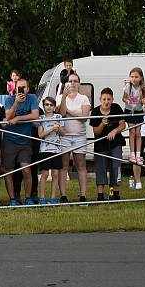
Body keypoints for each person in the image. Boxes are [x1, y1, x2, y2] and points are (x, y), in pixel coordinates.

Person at [3, 78, 40, 205]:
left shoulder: (32, 98)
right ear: (15, 88)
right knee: (9, 170)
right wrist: (16, 103)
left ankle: (28, 198)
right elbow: (8, 116)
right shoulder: (9, 99)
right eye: (19, 87)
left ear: (28, 89)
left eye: (24, 87)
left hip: (25, 140)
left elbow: (35, 115)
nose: (22, 90)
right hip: (10, 139)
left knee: (27, 170)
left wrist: (18, 118)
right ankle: (13, 199)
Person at [58, 72, 91, 202]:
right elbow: (61, 113)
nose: (72, 83)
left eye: (75, 81)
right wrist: (64, 98)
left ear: (79, 83)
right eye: (70, 81)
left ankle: (83, 196)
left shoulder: (84, 98)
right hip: (65, 136)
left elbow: (84, 117)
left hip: (79, 136)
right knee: (64, 166)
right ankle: (63, 196)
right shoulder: (61, 97)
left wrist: (69, 112)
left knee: (81, 165)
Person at [90, 88, 127, 201]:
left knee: (115, 166)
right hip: (100, 144)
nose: (106, 102)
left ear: (112, 100)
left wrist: (114, 131)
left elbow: (123, 125)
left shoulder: (116, 108)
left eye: (109, 99)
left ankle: (114, 193)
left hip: (115, 143)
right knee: (100, 168)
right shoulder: (95, 112)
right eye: (104, 99)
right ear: (100, 100)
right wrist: (102, 124)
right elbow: (96, 132)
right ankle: (100, 195)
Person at [35, 97, 64, 204]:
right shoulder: (41, 118)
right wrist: (52, 129)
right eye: (46, 104)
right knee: (45, 174)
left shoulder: (58, 117)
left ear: (54, 106)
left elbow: (63, 133)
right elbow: (40, 135)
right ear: (44, 106)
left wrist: (59, 128)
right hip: (45, 150)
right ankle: (42, 197)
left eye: (51, 105)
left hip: (57, 150)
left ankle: (53, 197)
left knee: (56, 174)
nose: (49, 107)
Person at [123, 67, 145, 164]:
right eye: (132, 76)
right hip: (129, 111)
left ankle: (138, 154)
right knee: (132, 132)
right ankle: (132, 153)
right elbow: (123, 98)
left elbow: (144, 99)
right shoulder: (127, 87)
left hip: (138, 111)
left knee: (138, 133)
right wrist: (128, 100)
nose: (134, 79)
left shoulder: (143, 88)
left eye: (136, 77)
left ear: (141, 78)